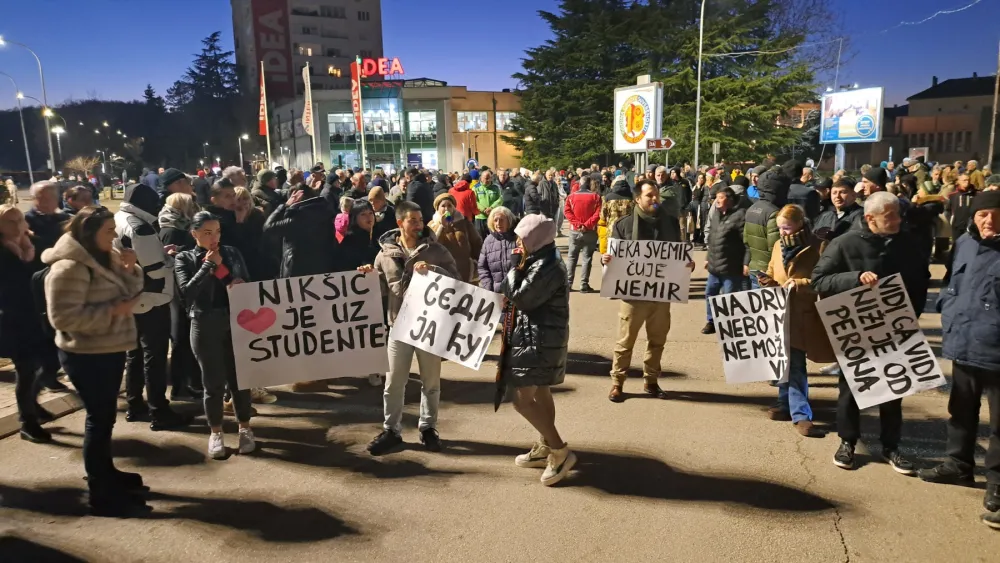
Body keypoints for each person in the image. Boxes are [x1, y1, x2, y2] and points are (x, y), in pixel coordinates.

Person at [812, 191, 930, 474]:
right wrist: (854, 278)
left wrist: (911, 316)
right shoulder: (844, 243)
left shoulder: (908, 243)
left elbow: (921, 280)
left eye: (898, 215)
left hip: (896, 328)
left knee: (894, 388)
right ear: (870, 219)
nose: (897, 221)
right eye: (890, 217)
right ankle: (847, 442)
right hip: (856, 329)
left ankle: (891, 446)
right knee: (851, 389)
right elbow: (820, 280)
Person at [42, 206, 148, 516]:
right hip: (86, 355)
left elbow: (131, 292)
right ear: (90, 233)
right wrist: (112, 313)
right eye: (108, 231)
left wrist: (130, 269)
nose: (115, 236)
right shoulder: (69, 268)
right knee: (97, 422)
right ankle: (101, 493)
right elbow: (62, 317)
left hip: (110, 349)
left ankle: (107, 474)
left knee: (105, 421)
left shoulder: (105, 258)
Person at [916, 191, 1000, 527]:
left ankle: (996, 483)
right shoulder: (964, 244)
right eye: (983, 215)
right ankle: (958, 464)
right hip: (964, 342)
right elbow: (953, 282)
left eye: (995, 214)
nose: (989, 221)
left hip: (996, 351)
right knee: (961, 411)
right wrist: (946, 309)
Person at [362, 201, 460, 455]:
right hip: (398, 326)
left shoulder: (436, 250)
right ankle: (391, 430)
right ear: (400, 223)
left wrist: (434, 271)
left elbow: (457, 281)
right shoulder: (384, 254)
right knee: (394, 382)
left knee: (431, 382)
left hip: (429, 325)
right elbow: (380, 289)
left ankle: (428, 428)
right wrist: (367, 276)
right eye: (413, 221)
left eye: (421, 220)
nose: (419, 225)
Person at [174, 211, 255, 459]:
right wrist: (208, 265)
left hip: (234, 321)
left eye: (217, 231)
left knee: (240, 379)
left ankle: (245, 427)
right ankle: (216, 432)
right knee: (213, 382)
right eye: (207, 233)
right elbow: (187, 294)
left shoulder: (231, 253)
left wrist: (222, 269)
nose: (214, 238)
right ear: (194, 234)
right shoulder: (184, 258)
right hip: (203, 322)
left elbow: (241, 284)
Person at [501, 214, 575, 486]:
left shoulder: (547, 266)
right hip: (539, 336)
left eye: (522, 236)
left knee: (521, 399)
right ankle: (546, 444)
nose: (517, 242)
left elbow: (521, 297)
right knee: (541, 390)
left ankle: (559, 450)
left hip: (539, 338)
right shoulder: (541, 259)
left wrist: (512, 270)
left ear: (534, 238)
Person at [602, 179, 688, 401]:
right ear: (637, 199)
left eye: (656, 195)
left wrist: (686, 265)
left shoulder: (669, 223)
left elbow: (678, 253)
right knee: (625, 342)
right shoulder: (624, 225)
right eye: (649, 195)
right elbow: (614, 257)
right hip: (632, 296)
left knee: (657, 340)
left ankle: (651, 381)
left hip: (660, 295)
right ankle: (617, 383)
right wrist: (607, 260)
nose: (655, 199)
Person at [115, 183, 190, 431]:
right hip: (152, 298)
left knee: (134, 355)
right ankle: (159, 410)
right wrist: (170, 259)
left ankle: (135, 405)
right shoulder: (141, 226)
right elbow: (156, 270)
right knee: (154, 357)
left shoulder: (120, 217)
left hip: (130, 294)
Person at [756, 205, 833, 437]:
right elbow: (773, 268)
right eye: (779, 228)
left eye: (786, 227)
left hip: (803, 313)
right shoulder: (779, 245)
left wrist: (800, 284)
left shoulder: (818, 246)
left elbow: (825, 279)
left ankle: (801, 414)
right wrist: (766, 280)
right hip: (778, 311)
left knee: (796, 363)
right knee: (781, 359)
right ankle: (783, 402)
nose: (782, 232)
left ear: (800, 223)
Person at [0, 205, 59, 442]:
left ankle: (32, 403)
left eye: (18, 220)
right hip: (13, 319)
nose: (15, 226)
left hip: (41, 316)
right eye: (8, 222)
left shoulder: (37, 246)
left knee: (50, 363)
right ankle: (28, 421)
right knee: (26, 369)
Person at [157, 193, 204, 402]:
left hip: (180, 289)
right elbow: (171, 260)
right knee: (181, 339)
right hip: (178, 291)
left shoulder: (176, 225)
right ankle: (180, 386)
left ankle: (188, 383)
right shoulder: (171, 230)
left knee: (184, 338)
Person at [264, 183, 341, 279]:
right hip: (324, 267)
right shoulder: (325, 212)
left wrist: (284, 205)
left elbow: (268, 228)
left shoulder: (296, 219)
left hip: (298, 271)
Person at [702, 187, 747, 334]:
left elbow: (746, 243)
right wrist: (707, 258)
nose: (717, 201)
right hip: (714, 266)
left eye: (720, 197)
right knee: (710, 293)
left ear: (730, 200)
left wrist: (746, 263)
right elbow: (713, 239)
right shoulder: (716, 215)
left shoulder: (740, 216)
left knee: (729, 298)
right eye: (716, 198)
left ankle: (730, 326)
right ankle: (711, 321)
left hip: (731, 267)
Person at [743, 170, 788, 290]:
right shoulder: (774, 212)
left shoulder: (751, 208)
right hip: (768, 272)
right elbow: (776, 247)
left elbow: (746, 240)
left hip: (754, 267)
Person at [427, 193, 482, 283]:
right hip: (445, 272)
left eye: (449, 205)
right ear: (437, 208)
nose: (446, 209)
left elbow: (477, 242)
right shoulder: (432, 225)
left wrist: (476, 263)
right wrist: (441, 226)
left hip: (466, 270)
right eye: (443, 206)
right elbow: (431, 245)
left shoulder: (464, 223)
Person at [563, 173, 601, 292]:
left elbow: (567, 212)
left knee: (572, 257)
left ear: (580, 184)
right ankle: (584, 284)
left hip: (575, 231)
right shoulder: (596, 197)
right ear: (590, 184)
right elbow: (598, 213)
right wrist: (587, 224)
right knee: (587, 258)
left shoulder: (571, 197)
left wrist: (577, 224)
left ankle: (568, 284)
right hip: (590, 231)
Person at [477, 207, 517, 293]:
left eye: (502, 220)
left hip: (516, 293)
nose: (498, 223)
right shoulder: (488, 241)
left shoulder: (518, 239)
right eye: (495, 220)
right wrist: (488, 288)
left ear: (509, 221)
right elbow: (482, 268)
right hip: (496, 294)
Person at [814, 178, 864, 242]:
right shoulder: (826, 215)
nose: (837, 196)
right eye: (834, 193)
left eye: (843, 192)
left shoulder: (861, 216)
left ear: (854, 195)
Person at [598, 175, 635, 254]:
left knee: (612, 254)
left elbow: (602, 216)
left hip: (612, 229)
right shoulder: (633, 197)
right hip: (628, 229)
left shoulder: (608, 197)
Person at [473, 169, 503, 240]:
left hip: (492, 216)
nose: (488, 180)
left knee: (494, 237)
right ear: (481, 178)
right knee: (480, 238)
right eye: (486, 178)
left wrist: (491, 208)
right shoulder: (476, 188)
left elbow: (500, 199)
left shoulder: (496, 187)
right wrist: (483, 209)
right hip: (480, 217)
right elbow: (474, 201)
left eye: (490, 178)